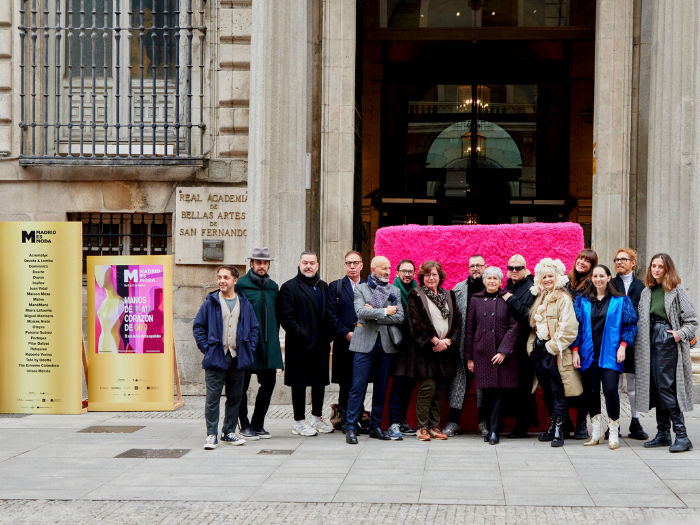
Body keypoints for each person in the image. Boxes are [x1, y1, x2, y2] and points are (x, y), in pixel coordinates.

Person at [636, 253, 698, 453]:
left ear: (667, 269)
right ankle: (663, 433)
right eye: (653, 266)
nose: (655, 269)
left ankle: (682, 436)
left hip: (666, 340)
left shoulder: (677, 290)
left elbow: (692, 320)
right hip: (648, 340)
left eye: (660, 266)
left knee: (665, 387)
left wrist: (679, 335)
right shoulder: (647, 291)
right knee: (655, 386)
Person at [193, 265, 259, 449]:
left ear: (235, 281)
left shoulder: (244, 303)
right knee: (213, 398)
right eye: (219, 277)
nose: (221, 280)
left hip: (238, 358)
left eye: (226, 277)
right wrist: (206, 348)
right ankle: (211, 434)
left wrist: (249, 347)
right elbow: (198, 326)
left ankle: (228, 432)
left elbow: (254, 328)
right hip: (216, 357)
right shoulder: (210, 303)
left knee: (235, 397)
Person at [572, 265, 638, 450]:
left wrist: (623, 346)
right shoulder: (582, 301)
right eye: (595, 276)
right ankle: (597, 432)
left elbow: (630, 326)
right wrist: (575, 350)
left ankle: (614, 433)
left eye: (602, 275)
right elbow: (575, 328)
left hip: (610, 353)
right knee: (591, 393)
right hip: (588, 354)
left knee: (610, 391)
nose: (598, 279)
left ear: (609, 277)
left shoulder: (620, 301)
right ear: (591, 278)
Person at [344, 256, 404, 445]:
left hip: (386, 345)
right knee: (358, 387)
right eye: (383, 268)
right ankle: (351, 427)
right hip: (363, 345)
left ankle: (375, 426)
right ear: (373, 269)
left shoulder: (394, 290)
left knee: (381, 387)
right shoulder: (361, 288)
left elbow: (400, 317)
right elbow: (361, 313)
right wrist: (386, 311)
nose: (387, 271)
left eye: (389, 267)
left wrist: (374, 313)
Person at [278, 251, 335, 437]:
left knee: (319, 382)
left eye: (311, 263)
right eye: (305, 263)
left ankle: (317, 418)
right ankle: (299, 422)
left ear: (317, 265)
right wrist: (302, 334)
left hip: (321, 344)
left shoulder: (324, 286)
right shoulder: (289, 287)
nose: (308, 266)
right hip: (299, 345)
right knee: (299, 383)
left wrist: (327, 336)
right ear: (299, 264)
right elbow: (286, 318)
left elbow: (329, 314)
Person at [527, 258, 581, 447]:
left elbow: (569, 328)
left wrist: (551, 347)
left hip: (555, 352)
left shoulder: (563, 299)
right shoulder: (541, 298)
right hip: (541, 352)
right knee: (547, 392)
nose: (547, 279)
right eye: (544, 277)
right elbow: (536, 326)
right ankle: (554, 424)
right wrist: (533, 347)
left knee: (558, 391)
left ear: (557, 278)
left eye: (551, 276)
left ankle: (560, 429)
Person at [407, 261, 462, 441]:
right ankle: (422, 427)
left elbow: (457, 322)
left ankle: (434, 426)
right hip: (426, 351)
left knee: (439, 389)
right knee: (427, 387)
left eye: (435, 274)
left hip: (446, 350)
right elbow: (416, 323)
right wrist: (435, 340)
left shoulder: (449, 295)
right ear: (422, 277)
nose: (431, 278)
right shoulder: (416, 295)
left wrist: (447, 341)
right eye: (428, 275)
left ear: (440, 277)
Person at [465, 267, 519, 445]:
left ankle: (494, 430)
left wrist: (503, 350)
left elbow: (514, 326)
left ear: (500, 281)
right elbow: (470, 329)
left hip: (501, 354)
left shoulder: (507, 298)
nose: (492, 281)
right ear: (484, 280)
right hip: (482, 353)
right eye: (489, 278)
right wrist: (469, 358)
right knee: (486, 393)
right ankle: (489, 428)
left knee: (496, 393)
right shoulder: (476, 299)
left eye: (496, 278)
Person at [235, 247, 284, 440]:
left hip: (267, 344)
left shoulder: (273, 286)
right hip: (246, 345)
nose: (261, 266)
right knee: (241, 385)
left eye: (264, 263)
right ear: (251, 264)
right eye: (258, 263)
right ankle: (244, 424)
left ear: (268, 265)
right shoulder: (240, 285)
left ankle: (258, 423)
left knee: (269, 383)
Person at [444, 254, 487, 437]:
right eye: (472, 266)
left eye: (479, 265)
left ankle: (484, 422)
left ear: (485, 267)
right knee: (458, 383)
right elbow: (448, 317)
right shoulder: (459, 289)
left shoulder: (492, 287)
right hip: (461, 344)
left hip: (485, 345)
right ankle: (453, 422)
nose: (475, 269)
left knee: (484, 384)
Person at [326, 250, 367, 433]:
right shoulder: (336, 287)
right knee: (345, 383)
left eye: (355, 263)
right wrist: (346, 333)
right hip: (344, 342)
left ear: (361, 265)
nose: (352, 266)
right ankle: (344, 419)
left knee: (361, 382)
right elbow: (331, 315)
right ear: (344, 265)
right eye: (348, 263)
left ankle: (357, 418)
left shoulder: (369, 286)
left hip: (366, 342)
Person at [612, 248, 649, 440]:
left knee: (633, 385)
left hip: (636, 342)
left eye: (623, 259)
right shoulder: (611, 284)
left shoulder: (642, 287)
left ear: (633, 263)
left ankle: (635, 421)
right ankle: (615, 423)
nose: (619, 262)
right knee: (615, 384)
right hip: (614, 342)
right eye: (616, 259)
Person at [502, 255, 538, 438]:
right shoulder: (507, 287)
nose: (514, 270)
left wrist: (511, 300)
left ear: (525, 269)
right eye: (511, 267)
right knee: (515, 387)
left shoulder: (532, 289)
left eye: (518, 268)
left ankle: (522, 426)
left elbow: (530, 317)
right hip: (510, 345)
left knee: (525, 387)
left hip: (525, 344)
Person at [564, 248, 598, 439]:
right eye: (581, 258)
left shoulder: (591, 285)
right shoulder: (565, 281)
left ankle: (581, 424)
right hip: (563, 338)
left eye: (588, 261)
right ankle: (566, 419)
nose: (582, 262)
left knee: (584, 381)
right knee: (564, 381)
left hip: (583, 339)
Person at [387, 259, 419, 438]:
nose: (407, 274)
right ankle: (393, 423)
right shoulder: (388, 290)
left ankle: (402, 420)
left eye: (410, 271)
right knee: (399, 385)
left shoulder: (419, 292)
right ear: (397, 273)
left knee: (410, 385)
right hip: (397, 345)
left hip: (415, 346)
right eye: (404, 271)